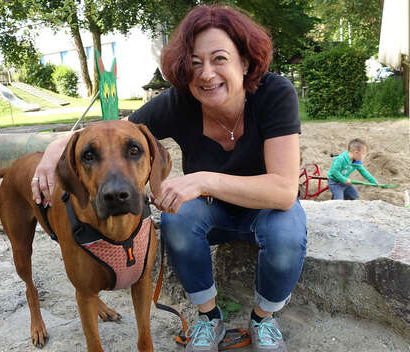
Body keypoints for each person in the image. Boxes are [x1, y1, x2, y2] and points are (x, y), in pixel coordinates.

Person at [32, 4, 306, 352]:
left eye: (219, 58)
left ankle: (263, 319)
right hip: (212, 211)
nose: (206, 74)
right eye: (194, 62)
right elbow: (118, 131)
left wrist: (204, 180)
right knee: (177, 219)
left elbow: (284, 190)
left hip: (265, 207)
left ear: (245, 62)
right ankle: (208, 318)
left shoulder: (275, 94)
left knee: (286, 232)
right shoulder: (180, 102)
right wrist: (56, 147)